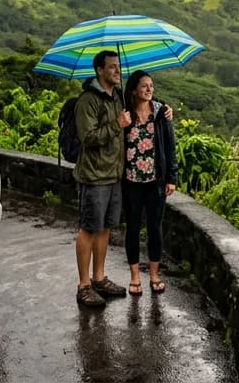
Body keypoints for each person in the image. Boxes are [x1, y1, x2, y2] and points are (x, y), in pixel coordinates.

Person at [72, 49, 131, 307]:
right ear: (99, 70)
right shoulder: (88, 100)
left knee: (105, 227)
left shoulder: (117, 96)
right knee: (88, 229)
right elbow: (87, 137)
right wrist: (117, 125)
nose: (117, 71)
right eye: (112, 67)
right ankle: (84, 285)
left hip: (113, 174)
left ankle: (99, 277)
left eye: (118, 66)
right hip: (94, 176)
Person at [121, 70, 178, 296]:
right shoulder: (125, 113)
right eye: (144, 86)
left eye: (151, 85)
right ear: (134, 89)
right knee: (133, 228)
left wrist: (171, 177)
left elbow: (170, 146)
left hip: (156, 181)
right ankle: (135, 277)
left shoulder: (161, 112)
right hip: (131, 181)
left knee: (155, 228)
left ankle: (154, 275)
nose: (149, 89)